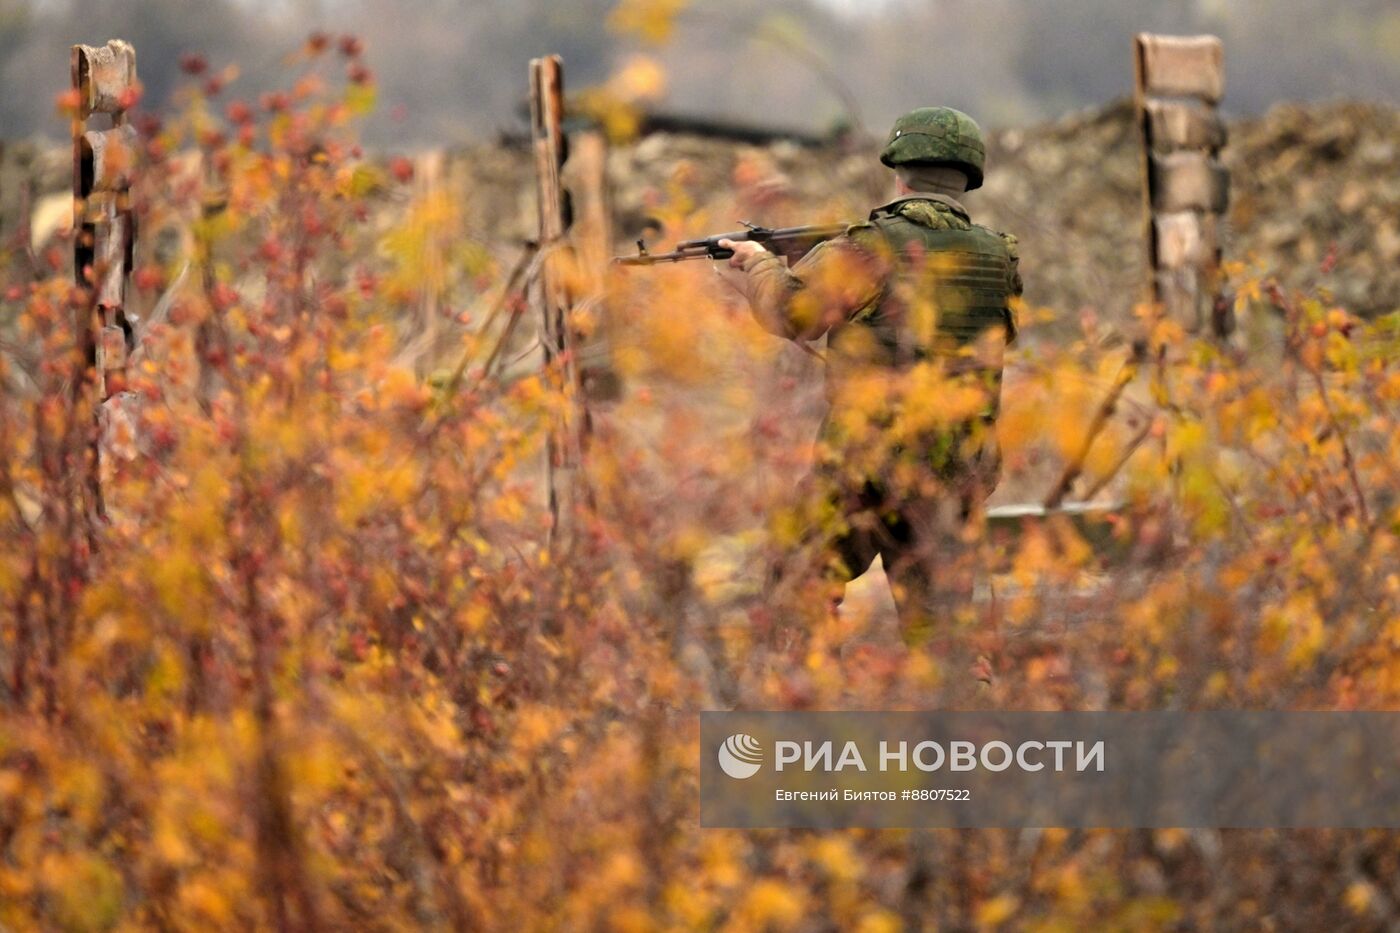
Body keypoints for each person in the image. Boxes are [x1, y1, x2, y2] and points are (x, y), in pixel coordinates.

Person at [717, 107, 1023, 647]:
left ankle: (811, 707)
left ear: (898, 169)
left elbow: (793, 315)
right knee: (943, 636)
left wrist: (758, 266)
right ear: (968, 175)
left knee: (796, 585)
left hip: (865, 464)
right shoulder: (999, 257)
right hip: (958, 466)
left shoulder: (867, 247)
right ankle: (957, 720)